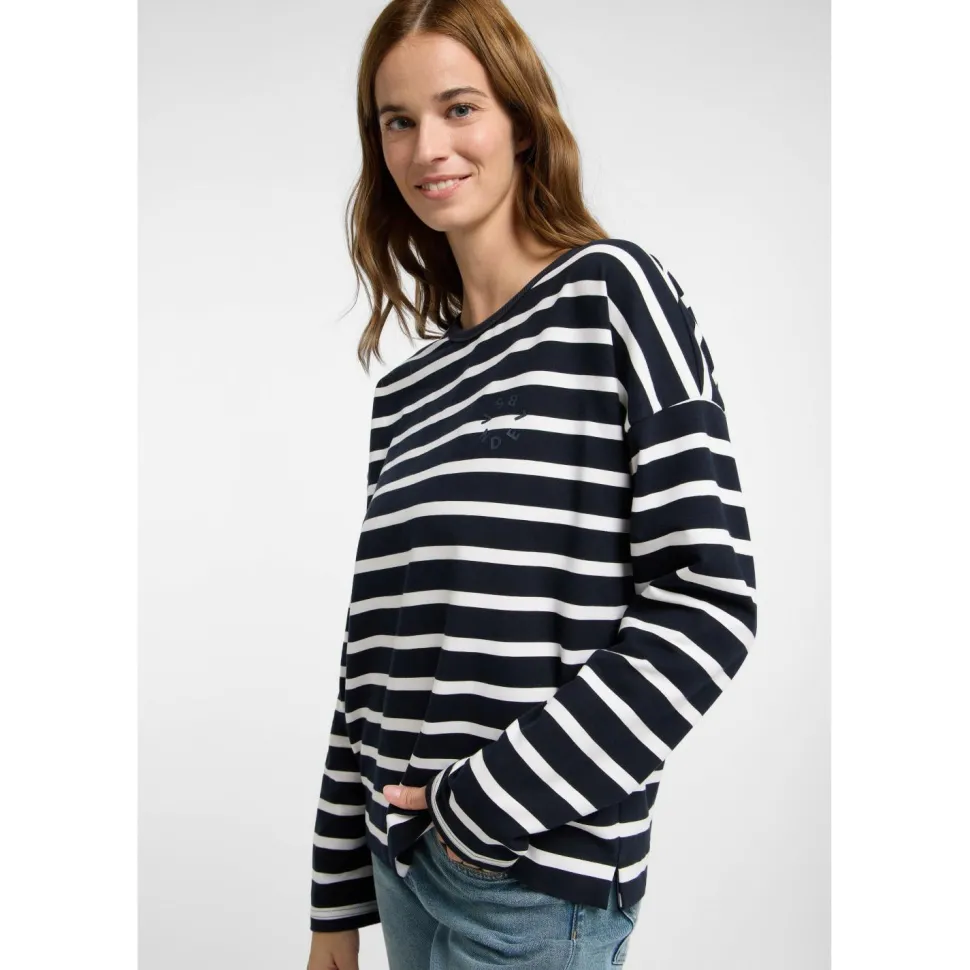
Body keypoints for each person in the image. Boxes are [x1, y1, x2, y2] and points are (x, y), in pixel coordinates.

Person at [307, 2, 758, 968]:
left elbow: (710, 603)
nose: (428, 146)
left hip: (530, 880)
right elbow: (372, 657)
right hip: (398, 868)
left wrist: (484, 810)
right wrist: (334, 903)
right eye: (397, 120)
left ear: (520, 120)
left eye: (458, 108)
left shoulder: (616, 295)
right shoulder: (408, 390)